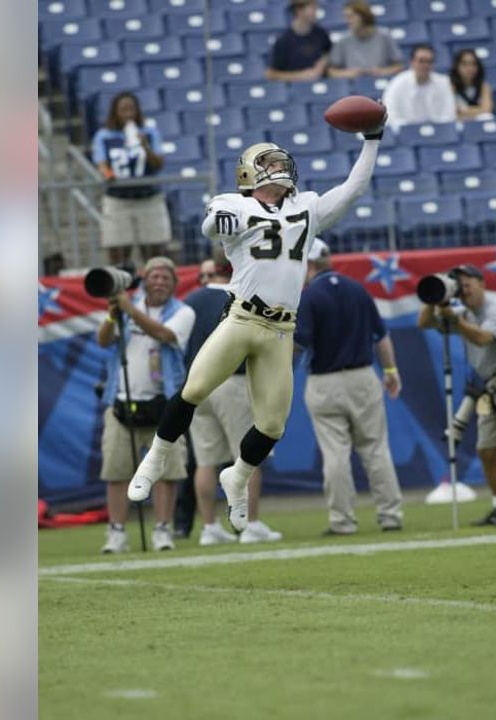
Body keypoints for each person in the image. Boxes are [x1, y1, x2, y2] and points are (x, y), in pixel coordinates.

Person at [125, 111, 389, 533]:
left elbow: (354, 188)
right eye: (273, 163)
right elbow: (213, 222)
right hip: (243, 317)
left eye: (284, 163)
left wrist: (372, 140)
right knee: (194, 388)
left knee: (271, 424)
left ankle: (239, 476)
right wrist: (218, 224)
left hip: (281, 330)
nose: (282, 169)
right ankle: (154, 457)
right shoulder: (236, 203)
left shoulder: (307, 206)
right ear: (251, 173)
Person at [296, 239, 405, 534]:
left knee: (335, 454)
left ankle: (342, 521)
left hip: (324, 381)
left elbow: (298, 343)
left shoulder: (309, 296)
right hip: (363, 376)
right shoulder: (358, 289)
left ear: (309, 264)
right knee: (376, 449)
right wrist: (391, 370)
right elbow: (381, 336)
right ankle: (390, 515)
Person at [96, 257, 196, 552]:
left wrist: (129, 310)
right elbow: (103, 341)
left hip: (164, 402)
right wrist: (114, 314)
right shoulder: (125, 307)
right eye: (154, 276)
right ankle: (116, 533)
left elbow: (166, 335)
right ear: (145, 280)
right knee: (116, 471)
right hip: (122, 401)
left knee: (166, 473)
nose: (160, 281)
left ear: (175, 284)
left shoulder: (183, 312)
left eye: (166, 277)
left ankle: (162, 530)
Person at [181, 258, 284, 544]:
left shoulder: (190, 300)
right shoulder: (241, 297)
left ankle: (210, 528)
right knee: (248, 457)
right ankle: (249, 525)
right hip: (232, 381)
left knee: (205, 461)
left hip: (197, 384)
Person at [418, 265, 496, 525]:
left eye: (467, 284)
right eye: (459, 286)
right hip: (489, 388)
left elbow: (484, 338)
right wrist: (435, 298)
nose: (464, 290)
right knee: (486, 449)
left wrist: (455, 321)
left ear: (481, 283)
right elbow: (424, 322)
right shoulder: (463, 313)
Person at [91, 93, 171, 265]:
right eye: (123, 110)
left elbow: (158, 164)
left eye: (131, 109)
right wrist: (108, 174)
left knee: (154, 251)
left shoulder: (149, 133)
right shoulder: (104, 136)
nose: (128, 114)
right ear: (115, 112)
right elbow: (101, 163)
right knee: (118, 250)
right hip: (118, 200)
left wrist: (145, 147)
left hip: (149, 198)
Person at [381, 44, 457, 128]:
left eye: (429, 61)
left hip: (440, 133)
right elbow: (391, 116)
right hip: (406, 133)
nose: (425, 65)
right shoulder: (396, 84)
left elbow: (449, 114)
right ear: (412, 62)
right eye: (421, 61)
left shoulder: (444, 83)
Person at [327, 1, 403, 79]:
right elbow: (332, 72)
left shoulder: (385, 36)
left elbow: (399, 67)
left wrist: (383, 72)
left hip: (381, 82)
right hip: (352, 86)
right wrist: (348, 73)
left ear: (364, 16)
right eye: (346, 17)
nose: (348, 21)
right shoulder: (343, 41)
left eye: (351, 17)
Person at [265, 0, 332, 82]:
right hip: (295, 89)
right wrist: (301, 75)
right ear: (299, 11)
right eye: (313, 8)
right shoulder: (283, 41)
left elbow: (329, 52)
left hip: (321, 84)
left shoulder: (321, 33)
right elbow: (271, 74)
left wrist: (322, 63)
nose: (316, 12)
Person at [450, 49, 494, 121]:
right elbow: (452, 110)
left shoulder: (484, 86)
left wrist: (463, 110)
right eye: (465, 64)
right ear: (457, 66)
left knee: (487, 117)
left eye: (473, 64)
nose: (469, 68)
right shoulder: (450, 86)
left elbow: (487, 109)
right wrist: (478, 109)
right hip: (459, 121)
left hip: (477, 121)